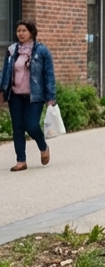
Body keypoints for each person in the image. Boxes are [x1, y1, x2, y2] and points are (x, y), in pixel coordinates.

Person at [1, 20, 57, 172]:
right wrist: (2, 91)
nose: (20, 33)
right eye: (18, 31)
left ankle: (43, 146)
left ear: (31, 32)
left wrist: (51, 97)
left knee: (31, 125)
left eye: (24, 30)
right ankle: (21, 161)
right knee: (18, 128)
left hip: (35, 96)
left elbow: (49, 75)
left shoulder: (42, 51)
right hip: (15, 96)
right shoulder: (12, 50)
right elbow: (5, 71)